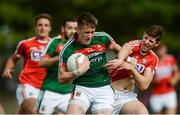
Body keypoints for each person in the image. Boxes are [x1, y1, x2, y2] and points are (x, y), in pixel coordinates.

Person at [58, 12, 121, 114]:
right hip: (82, 88)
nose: (90, 36)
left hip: (103, 87)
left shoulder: (102, 37)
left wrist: (120, 61)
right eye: (87, 32)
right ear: (78, 30)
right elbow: (61, 78)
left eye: (92, 32)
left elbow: (120, 50)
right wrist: (78, 71)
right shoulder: (68, 48)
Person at [104, 25, 164, 114]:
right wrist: (123, 60)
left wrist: (132, 69)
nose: (146, 42)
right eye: (146, 38)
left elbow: (144, 85)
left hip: (127, 97)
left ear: (157, 44)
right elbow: (124, 49)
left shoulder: (153, 59)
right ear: (143, 35)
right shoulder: (134, 44)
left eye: (151, 41)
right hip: (109, 92)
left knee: (142, 113)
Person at [2, 13, 52, 114]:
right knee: (36, 112)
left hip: (47, 88)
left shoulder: (55, 45)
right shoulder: (25, 44)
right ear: (35, 27)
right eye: (40, 25)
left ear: (50, 28)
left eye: (46, 25)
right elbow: (13, 59)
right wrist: (7, 69)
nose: (43, 28)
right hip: (28, 85)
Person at [36, 17, 77, 114]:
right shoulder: (55, 42)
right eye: (70, 28)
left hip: (69, 93)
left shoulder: (81, 45)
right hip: (50, 92)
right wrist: (60, 56)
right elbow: (41, 63)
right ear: (63, 29)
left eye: (75, 28)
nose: (72, 31)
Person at [149, 43, 179, 114]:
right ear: (156, 51)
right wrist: (154, 81)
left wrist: (174, 79)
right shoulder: (152, 62)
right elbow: (146, 81)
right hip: (156, 94)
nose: (162, 51)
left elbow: (177, 72)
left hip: (169, 92)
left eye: (164, 49)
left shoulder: (171, 59)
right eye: (160, 50)